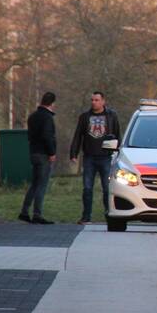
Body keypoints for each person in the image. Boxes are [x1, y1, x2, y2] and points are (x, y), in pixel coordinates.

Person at [69, 91, 123, 224]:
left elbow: (117, 134)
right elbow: (78, 135)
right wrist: (73, 153)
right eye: (92, 100)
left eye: (97, 100)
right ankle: (86, 216)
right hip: (89, 157)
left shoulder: (111, 116)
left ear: (103, 101)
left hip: (106, 157)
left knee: (107, 188)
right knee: (87, 188)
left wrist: (118, 152)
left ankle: (110, 215)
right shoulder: (85, 117)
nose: (94, 102)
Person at [19, 92, 57, 225]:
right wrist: (52, 153)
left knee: (34, 184)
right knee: (42, 185)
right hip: (43, 154)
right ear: (52, 103)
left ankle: (24, 212)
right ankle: (37, 214)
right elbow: (47, 136)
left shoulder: (33, 116)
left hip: (33, 152)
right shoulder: (47, 118)